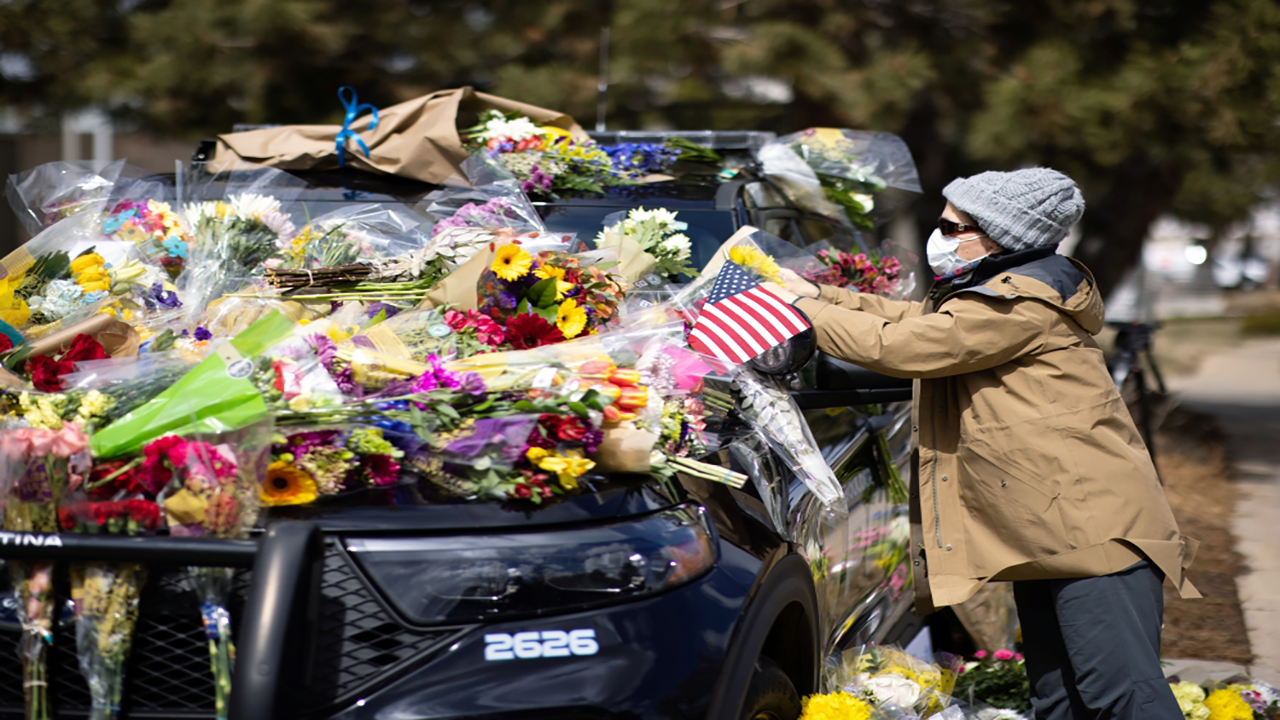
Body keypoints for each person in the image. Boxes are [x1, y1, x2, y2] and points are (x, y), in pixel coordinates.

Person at [762, 168, 1198, 720]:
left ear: (998, 236)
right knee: (1058, 697)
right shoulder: (1002, 293)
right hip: (1053, 529)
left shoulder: (1020, 305)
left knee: (1121, 695)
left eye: (952, 226)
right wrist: (817, 294)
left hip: (1096, 531)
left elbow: (905, 344)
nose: (939, 235)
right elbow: (916, 318)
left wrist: (801, 311)